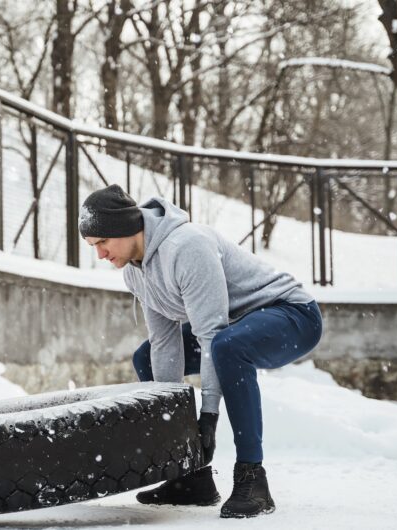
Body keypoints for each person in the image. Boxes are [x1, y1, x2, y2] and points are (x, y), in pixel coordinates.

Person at [79, 184, 322, 518]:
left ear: (125, 227)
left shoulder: (186, 246)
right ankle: (190, 477)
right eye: (94, 246)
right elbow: (165, 342)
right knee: (145, 356)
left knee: (227, 347)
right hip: (233, 329)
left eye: (103, 242)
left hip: (292, 315)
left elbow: (212, 335)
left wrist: (207, 417)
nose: (100, 255)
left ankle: (253, 478)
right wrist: (178, 431)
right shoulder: (135, 273)